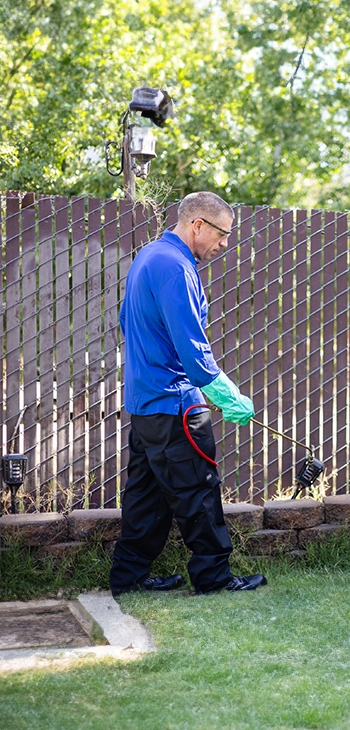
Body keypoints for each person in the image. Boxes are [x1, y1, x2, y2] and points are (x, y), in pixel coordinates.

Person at [109, 191, 266, 596]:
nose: (224, 244)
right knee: (198, 489)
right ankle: (214, 579)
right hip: (178, 404)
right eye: (221, 234)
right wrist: (227, 394)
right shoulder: (176, 267)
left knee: (146, 496)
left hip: (146, 404)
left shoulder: (149, 257)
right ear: (197, 224)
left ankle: (129, 579)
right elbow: (192, 347)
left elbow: (131, 326)